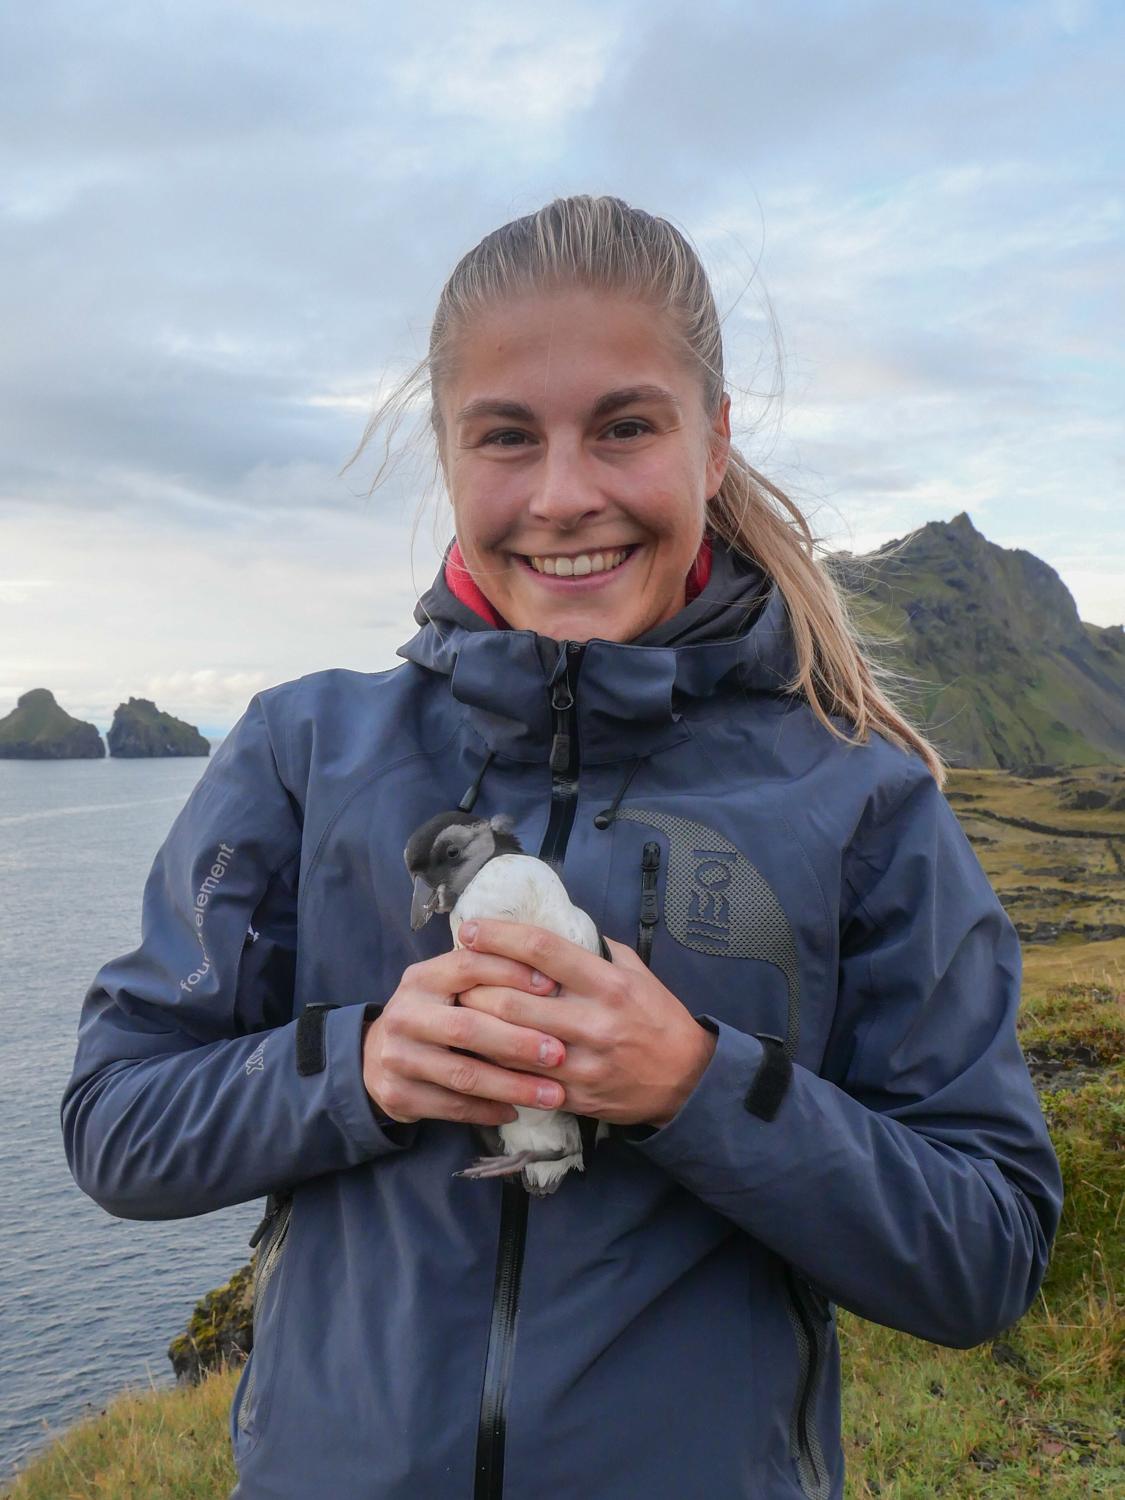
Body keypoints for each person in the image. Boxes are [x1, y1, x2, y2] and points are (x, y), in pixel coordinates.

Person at [62, 195, 1062, 1500]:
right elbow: (117, 1127)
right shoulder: (303, 753)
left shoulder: (861, 798)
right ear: (448, 455)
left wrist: (693, 1086)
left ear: (710, 445)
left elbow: (980, 1255)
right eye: (506, 438)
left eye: (624, 427)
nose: (562, 496)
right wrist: (357, 1067)